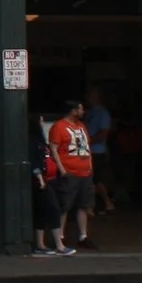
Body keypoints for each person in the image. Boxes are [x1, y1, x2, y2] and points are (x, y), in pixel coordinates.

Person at [47, 99, 97, 249]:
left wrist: (90, 166)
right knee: (65, 205)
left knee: (84, 205)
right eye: (80, 109)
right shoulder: (59, 126)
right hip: (69, 172)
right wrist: (62, 169)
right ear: (73, 110)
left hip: (85, 172)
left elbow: (87, 146)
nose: (83, 112)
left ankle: (83, 235)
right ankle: (59, 236)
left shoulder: (81, 126)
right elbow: (53, 148)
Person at [30, 112, 71, 256]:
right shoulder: (32, 141)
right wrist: (40, 178)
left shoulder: (41, 139)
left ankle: (40, 244)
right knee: (54, 210)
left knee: (41, 212)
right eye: (41, 121)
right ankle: (59, 245)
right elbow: (34, 161)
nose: (43, 123)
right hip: (42, 181)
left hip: (51, 179)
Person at [83, 84, 118, 213]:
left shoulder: (103, 113)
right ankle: (92, 206)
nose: (87, 98)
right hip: (87, 151)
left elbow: (103, 133)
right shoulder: (89, 112)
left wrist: (88, 141)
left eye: (90, 95)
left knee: (97, 179)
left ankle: (107, 202)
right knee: (90, 179)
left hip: (97, 151)